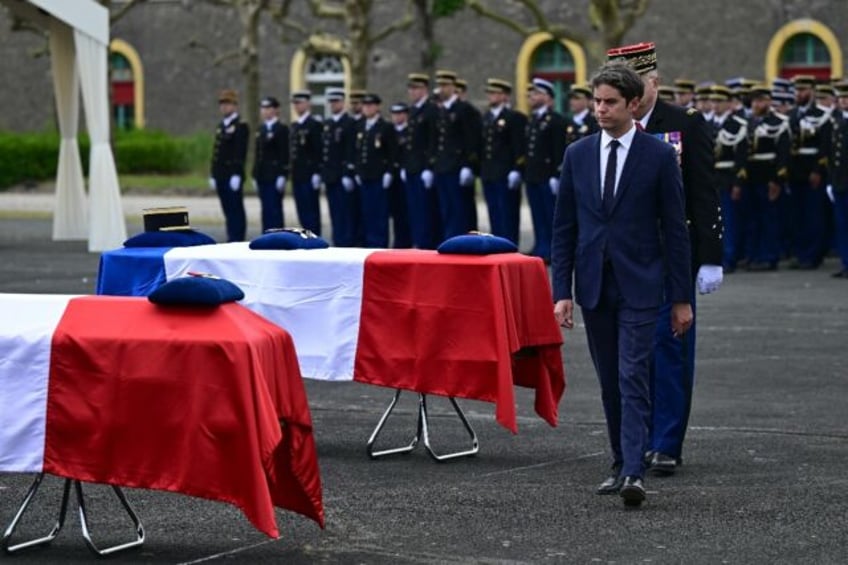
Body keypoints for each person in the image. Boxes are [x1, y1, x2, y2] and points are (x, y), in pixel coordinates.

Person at [552, 62, 693, 507]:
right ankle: (619, 462)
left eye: (610, 102)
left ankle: (635, 472)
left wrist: (682, 298)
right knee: (610, 380)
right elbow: (564, 229)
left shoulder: (657, 155)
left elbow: (675, 229)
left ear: (633, 104)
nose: (600, 109)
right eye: (597, 101)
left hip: (642, 285)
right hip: (594, 286)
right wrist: (561, 292)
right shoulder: (577, 155)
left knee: (634, 375)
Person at [607, 42, 723, 477]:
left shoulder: (684, 124)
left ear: (653, 82)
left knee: (669, 346)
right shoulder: (610, 121)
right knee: (628, 352)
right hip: (623, 255)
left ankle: (666, 442)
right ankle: (635, 440)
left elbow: (703, 191)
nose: (628, 98)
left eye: (635, 87)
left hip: (671, 252)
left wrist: (711, 255)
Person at [524, 78, 567, 263]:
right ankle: (540, 245)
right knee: (537, 213)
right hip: (533, 175)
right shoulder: (533, 119)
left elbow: (559, 149)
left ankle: (551, 249)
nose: (531, 97)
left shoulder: (556, 121)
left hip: (548, 175)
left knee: (550, 215)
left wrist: (557, 175)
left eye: (536, 94)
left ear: (547, 97)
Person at [432, 69, 480, 239]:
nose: (442, 89)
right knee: (446, 208)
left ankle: (459, 241)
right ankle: (448, 239)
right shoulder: (441, 110)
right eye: (440, 85)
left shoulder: (464, 109)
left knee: (459, 209)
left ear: (453, 87)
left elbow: (472, 139)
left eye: (445, 85)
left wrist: (468, 165)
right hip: (443, 166)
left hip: (458, 166)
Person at [480, 78, 525, 243]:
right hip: (489, 172)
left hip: (506, 172)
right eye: (490, 93)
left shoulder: (514, 117)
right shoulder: (486, 117)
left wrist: (517, 168)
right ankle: (497, 243)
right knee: (494, 212)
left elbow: (518, 145)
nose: (491, 96)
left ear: (505, 96)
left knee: (508, 212)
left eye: (495, 93)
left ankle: (509, 243)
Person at [710, 85, 748, 273]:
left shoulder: (736, 125)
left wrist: (737, 183)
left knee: (729, 222)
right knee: (711, 221)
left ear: (728, 104)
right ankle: (713, 257)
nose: (715, 105)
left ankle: (729, 257)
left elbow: (741, 158)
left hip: (727, 178)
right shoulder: (705, 124)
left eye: (719, 101)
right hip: (710, 180)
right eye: (713, 101)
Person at [354, 93, 397, 248]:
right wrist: (357, 171)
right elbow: (357, 152)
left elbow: (392, 152)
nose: (367, 108)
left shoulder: (385, 127)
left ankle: (379, 243)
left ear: (377, 107)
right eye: (365, 105)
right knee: (366, 212)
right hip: (364, 176)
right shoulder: (359, 125)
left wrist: (389, 172)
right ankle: (368, 243)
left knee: (379, 213)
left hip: (379, 175)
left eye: (370, 105)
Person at [403, 73, 441, 248]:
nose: (412, 92)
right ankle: (418, 241)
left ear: (424, 89)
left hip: (423, 167)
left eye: (416, 88)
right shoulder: (412, 111)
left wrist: (429, 167)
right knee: (414, 209)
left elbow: (433, 140)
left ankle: (426, 243)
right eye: (410, 88)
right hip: (412, 167)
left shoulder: (431, 110)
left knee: (425, 209)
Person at [210, 89, 248, 242]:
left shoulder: (240, 126)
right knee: (226, 209)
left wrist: (237, 173)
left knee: (235, 210)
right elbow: (217, 152)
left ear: (234, 105)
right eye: (222, 104)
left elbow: (240, 152)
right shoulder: (221, 126)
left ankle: (237, 238)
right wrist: (213, 173)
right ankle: (231, 236)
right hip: (221, 174)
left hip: (232, 174)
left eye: (227, 104)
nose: (224, 107)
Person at [320, 87, 357, 246]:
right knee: (334, 211)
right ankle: (337, 240)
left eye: (336, 101)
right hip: (330, 175)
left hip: (342, 174)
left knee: (346, 212)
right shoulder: (327, 123)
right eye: (331, 102)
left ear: (343, 102)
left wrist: (348, 173)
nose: (333, 105)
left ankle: (346, 241)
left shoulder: (349, 123)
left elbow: (350, 149)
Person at [252, 96, 289, 233]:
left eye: (268, 108)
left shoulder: (281, 129)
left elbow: (284, 153)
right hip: (262, 174)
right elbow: (258, 154)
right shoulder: (261, 129)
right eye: (263, 108)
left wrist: (282, 174)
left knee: (275, 209)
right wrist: (255, 174)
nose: (265, 111)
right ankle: (266, 234)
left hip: (274, 174)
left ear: (275, 110)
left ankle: (277, 235)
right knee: (265, 209)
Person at [289, 90, 323, 235]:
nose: (297, 106)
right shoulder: (295, 126)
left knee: (311, 211)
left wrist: (317, 172)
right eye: (295, 104)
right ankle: (307, 237)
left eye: (300, 103)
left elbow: (318, 150)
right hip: (298, 174)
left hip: (309, 174)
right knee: (301, 210)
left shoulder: (314, 125)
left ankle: (314, 238)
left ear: (308, 104)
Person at [824, 81, 848, 278]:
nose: (844, 101)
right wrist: (831, 181)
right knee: (842, 224)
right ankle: (846, 262)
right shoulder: (838, 122)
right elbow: (833, 155)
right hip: (840, 182)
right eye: (841, 98)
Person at [389, 102, 412, 248]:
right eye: (394, 114)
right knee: (395, 211)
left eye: (400, 114)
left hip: (406, 176)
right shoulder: (389, 131)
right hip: (393, 177)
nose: (397, 117)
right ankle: (399, 240)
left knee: (408, 210)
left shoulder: (409, 131)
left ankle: (408, 240)